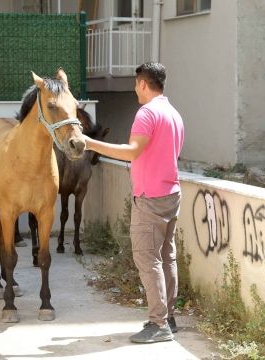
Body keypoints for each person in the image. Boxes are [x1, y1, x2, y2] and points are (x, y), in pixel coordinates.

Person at [82, 62, 184, 344]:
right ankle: (168, 317)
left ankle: (158, 323)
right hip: (171, 194)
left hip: (150, 198)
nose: (134, 90)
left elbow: (131, 152)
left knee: (147, 259)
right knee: (166, 256)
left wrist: (89, 144)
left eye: (135, 84)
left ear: (142, 83)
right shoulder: (173, 114)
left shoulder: (147, 113)